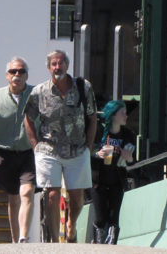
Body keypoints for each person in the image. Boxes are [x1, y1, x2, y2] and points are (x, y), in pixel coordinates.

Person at [24, 50, 97, 243]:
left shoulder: (83, 87)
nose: (58, 67)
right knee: (52, 194)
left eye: (61, 63)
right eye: (54, 64)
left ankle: (71, 225)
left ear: (67, 65)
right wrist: (35, 145)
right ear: (49, 68)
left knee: (77, 197)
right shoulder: (39, 92)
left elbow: (92, 117)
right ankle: (55, 242)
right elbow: (28, 118)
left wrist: (88, 146)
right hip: (49, 150)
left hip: (78, 149)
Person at [0, 56, 35, 243]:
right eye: (13, 71)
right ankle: (16, 241)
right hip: (4, 154)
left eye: (21, 71)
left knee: (27, 191)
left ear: (27, 75)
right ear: (7, 75)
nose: (17, 75)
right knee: (13, 198)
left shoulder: (35, 94)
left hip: (28, 152)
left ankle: (24, 236)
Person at [88, 100, 136, 244]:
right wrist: (98, 153)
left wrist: (129, 158)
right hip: (98, 181)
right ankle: (97, 245)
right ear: (113, 115)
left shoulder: (128, 135)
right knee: (100, 219)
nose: (126, 116)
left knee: (114, 219)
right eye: (123, 113)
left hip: (117, 181)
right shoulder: (99, 132)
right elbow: (87, 150)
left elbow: (133, 161)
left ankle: (112, 247)